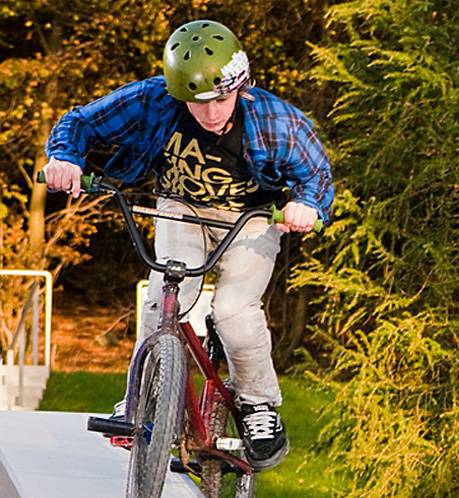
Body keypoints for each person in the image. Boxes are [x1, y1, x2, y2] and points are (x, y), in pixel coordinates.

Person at [43, 19, 334, 470]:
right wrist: (64, 158)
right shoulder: (152, 100)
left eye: (220, 99)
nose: (212, 113)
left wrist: (307, 206)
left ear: (241, 86)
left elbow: (315, 176)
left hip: (252, 218)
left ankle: (259, 407)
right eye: (196, 104)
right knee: (165, 295)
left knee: (234, 310)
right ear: (177, 94)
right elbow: (80, 122)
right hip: (181, 207)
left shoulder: (278, 122)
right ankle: (139, 404)